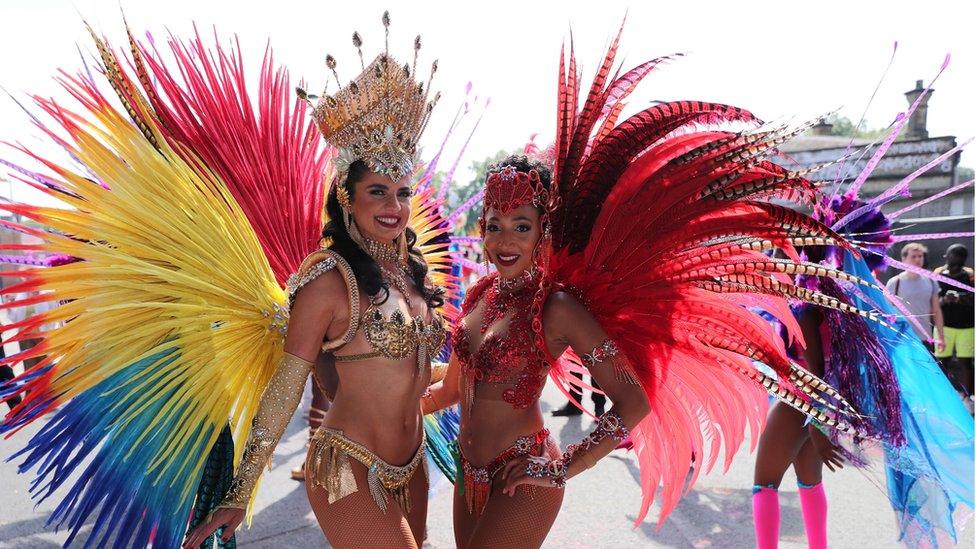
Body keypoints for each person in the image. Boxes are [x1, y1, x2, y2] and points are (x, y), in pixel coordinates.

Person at [0, 14, 456, 549]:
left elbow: (407, 373)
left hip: (414, 465)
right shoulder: (329, 281)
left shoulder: (411, 276)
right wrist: (241, 491)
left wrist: (491, 367)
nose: (395, 207)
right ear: (346, 198)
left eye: (402, 192)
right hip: (346, 469)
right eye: (378, 191)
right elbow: (287, 388)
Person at [423, 24, 867, 547]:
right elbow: (452, 389)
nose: (504, 239)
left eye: (522, 225)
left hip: (526, 475)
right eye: (494, 223)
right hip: (467, 475)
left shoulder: (558, 306)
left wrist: (563, 466)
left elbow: (633, 402)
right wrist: (374, 397)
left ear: (544, 231)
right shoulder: (479, 297)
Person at [885, 242, 944, 353]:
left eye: (920, 256)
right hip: (902, 339)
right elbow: (886, 311)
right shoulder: (894, 282)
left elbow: (937, 310)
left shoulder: (931, 281)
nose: (917, 259)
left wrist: (941, 336)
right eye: (913, 256)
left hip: (925, 339)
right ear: (904, 259)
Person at [934, 243, 975, 399]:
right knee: (942, 361)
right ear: (946, 255)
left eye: (960, 255)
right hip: (943, 326)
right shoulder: (938, 273)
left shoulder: (970, 275)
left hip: (967, 326)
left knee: (966, 362)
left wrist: (960, 298)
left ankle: (967, 396)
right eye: (954, 254)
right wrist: (945, 299)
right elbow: (933, 299)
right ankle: (942, 395)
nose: (957, 258)